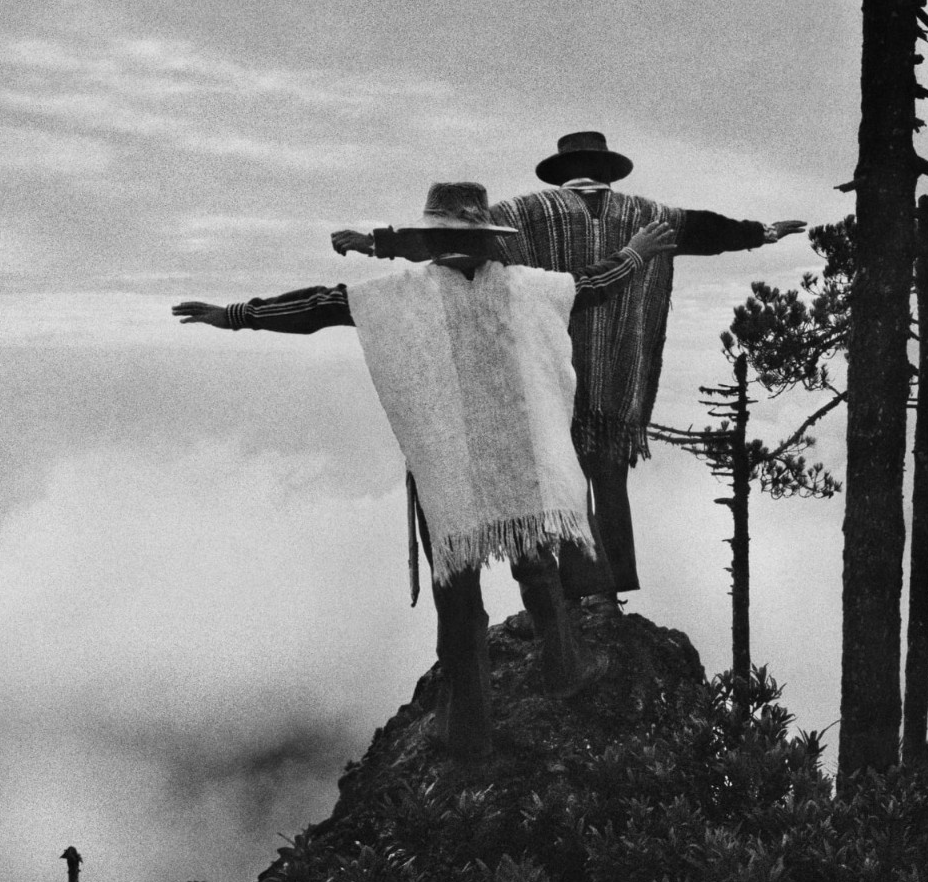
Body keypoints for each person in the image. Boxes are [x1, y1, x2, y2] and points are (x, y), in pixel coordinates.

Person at [175, 181, 676, 759]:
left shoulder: (401, 296)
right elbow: (593, 285)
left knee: (459, 601)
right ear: (491, 240)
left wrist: (234, 315)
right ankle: (565, 667)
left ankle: (469, 733)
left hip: (448, 470)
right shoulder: (527, 289)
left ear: (432, 239)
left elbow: (320, 305)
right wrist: (636, 252)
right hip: (522, 460)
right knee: (536, 565)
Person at [333, 132, 805, 610]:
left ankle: (574, 590)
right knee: (611, 479)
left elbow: (452, 236)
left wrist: (378, 243)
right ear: (606, 170)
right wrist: (762, 232)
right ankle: (610, 589)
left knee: (564, 478)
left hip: (552, 370)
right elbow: (709, 230)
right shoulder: (648, 216)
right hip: (620, 375)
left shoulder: (526, 214)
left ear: (563, 170)